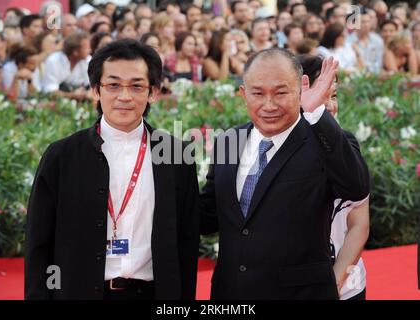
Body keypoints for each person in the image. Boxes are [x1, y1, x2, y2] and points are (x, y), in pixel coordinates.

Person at [25, 39, 200, 300]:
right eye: (113, 85)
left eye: (137, 86)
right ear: (96, 90)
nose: (125, 96)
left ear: (153, 92)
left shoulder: (176, 156)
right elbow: (39, 242)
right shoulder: (62, 156)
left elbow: (186, 243)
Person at [199, 48, 370, 300]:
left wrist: (316, 115)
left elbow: (355, 188)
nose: (269, 105)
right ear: (243, 94)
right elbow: (209, 215)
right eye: (258, 93)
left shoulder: (326, 142)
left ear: (299, 91)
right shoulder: (229, 141)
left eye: (280, 92)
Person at [298, 54, 370, 300]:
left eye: (334, 95)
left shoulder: (345, 142)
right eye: (321, 94)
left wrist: (333, 284)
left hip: (346, 288)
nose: (330, 105)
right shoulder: (271, 149)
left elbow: (359, 224)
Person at [42, 32, 91, 100]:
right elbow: (50, 92)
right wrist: (73, 95)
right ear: (75, 52)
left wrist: (88, 93)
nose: (90, 50)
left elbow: (91, 85)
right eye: (86, 48)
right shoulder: (53, 61)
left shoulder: (88, 60)